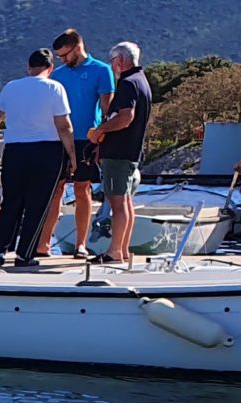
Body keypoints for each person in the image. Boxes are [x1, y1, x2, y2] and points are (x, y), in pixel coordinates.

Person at [0, 49, 78, 268]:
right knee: (37, 204)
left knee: (11, 203)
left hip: (15, 150)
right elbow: (64, 126)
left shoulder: (12, 86)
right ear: (50, 68)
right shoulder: (54, 87)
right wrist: (72, 155)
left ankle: (0, 251)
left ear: (29, 68)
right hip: (47, 150)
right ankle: (25, 254)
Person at [34, 29, 116, 258]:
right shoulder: (57, 76)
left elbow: (107, 110)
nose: (61, 60)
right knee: (56, 190)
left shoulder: (102, 70)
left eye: (64, 55)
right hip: (58, 139)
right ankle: (43, 243)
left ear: (77, 48)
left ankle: (81, 244)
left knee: (82, 189)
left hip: (86, 140)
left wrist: (102, 138)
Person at [91, 41, 156, 265]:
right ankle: (123, 249)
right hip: (130, 152)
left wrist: (100, 130)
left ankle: (114, 252)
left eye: (112, 62)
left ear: (119, 60)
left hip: (118, 153)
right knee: (126, 202)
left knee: (117, 204)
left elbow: (125, 117)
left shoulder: (128, 83)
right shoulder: (143, 82)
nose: (112, 66)